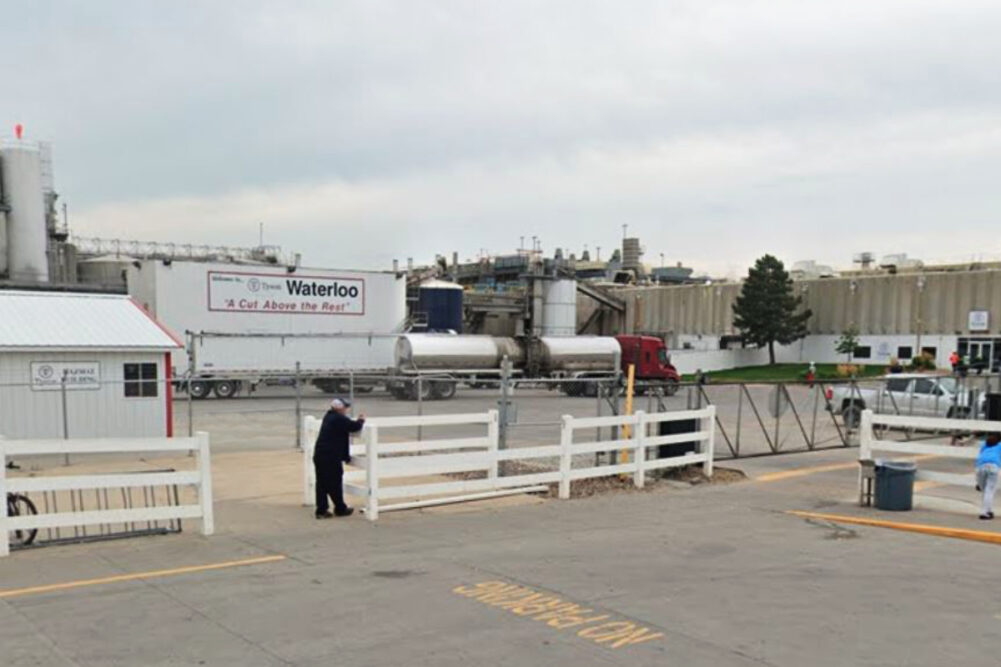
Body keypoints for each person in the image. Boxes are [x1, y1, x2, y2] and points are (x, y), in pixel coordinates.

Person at [313, 398, 365, 519]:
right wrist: (361, 420)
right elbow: (354, 426)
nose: (346, 410)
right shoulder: (338, 418)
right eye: (345, 407)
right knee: (335, 482)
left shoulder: (329, 416)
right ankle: (340, 508)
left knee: (322, 483)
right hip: (330, 456)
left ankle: (322, 510)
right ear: (339, 408)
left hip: (321, 454)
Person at [974, 432, 1001, 520]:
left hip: (980, 467)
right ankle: (984, 513)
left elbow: (980, 455)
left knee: (985, 491)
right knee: (989, 491)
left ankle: (988, 510)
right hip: (993, 467)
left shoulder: (984, 444)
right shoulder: (999, 445)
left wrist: (978, 481)